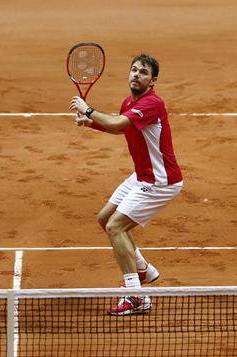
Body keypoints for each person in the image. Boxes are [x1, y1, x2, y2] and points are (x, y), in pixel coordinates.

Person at [69, 53, 183, 315]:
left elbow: (118, 122)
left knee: (115, 227)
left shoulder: (153, 103)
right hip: (142, 175)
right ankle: (142, 268)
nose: (136, 75)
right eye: (133, 70)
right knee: (104, 218)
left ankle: (135, 295)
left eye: (143, 72)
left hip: (160, 180)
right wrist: (90, 123)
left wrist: (88, 109)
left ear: (152, 81)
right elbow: (120, 129)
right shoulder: (129, 102)